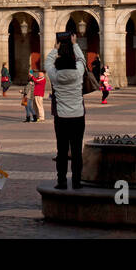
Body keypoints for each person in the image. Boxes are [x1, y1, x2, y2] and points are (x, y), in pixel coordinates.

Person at [46, 32, 86, 190]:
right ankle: (77, 181)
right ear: (73, 63)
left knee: (61, 151)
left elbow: (48, 62)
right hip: (77, 116)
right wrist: (74, 44)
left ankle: (61, 181)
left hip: (61, 117)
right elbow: (82, 60)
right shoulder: (78, 73)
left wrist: (56, 48)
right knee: (76, 151)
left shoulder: (54, 76)